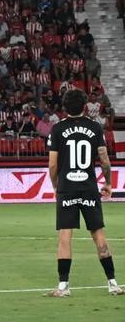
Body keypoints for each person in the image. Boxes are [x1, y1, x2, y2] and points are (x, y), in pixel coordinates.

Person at [44, 88, 123, 297]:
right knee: (99, 235)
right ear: (85, 106)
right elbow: (105, 160)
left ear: (64, 107)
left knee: (65, 237)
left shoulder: (58, 129)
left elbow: (52, 165)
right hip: (89, 188)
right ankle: (113, 283)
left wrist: (55, 186)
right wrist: (108, 182)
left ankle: (63, 287)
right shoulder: (95, 127)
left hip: (67, 189)